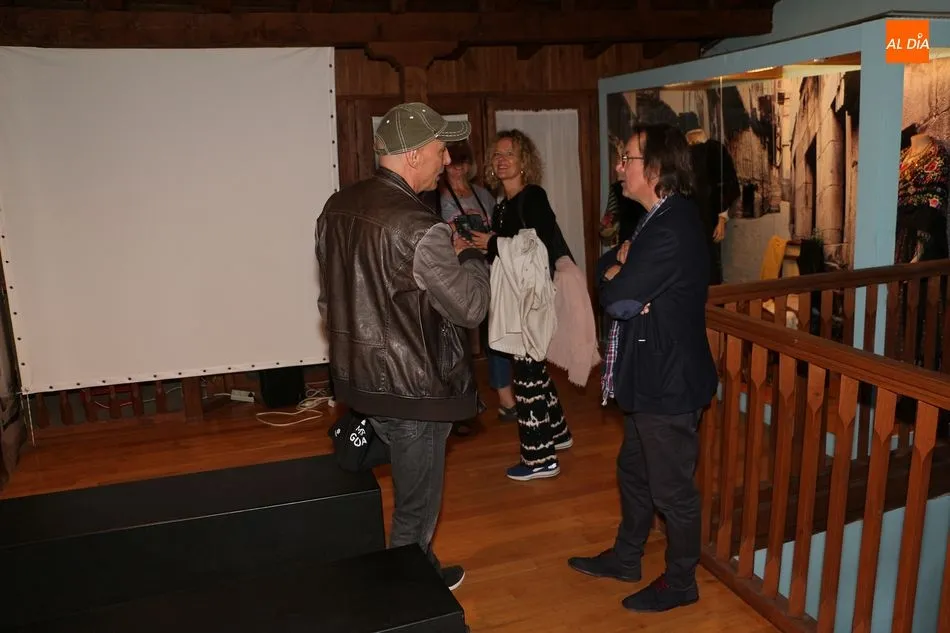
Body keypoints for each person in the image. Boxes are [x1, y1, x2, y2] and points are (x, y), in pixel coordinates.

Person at [315, 102, 490, 593]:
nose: (447, 159)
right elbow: (471, 307)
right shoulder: (419, 227)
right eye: (440, 149)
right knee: (416, 507)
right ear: (413, 155)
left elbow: (330, 303)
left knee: (411, 490)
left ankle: (419, 572)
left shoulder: (336, 208)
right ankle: (408, 599)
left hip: (362, 381)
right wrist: (471, 257)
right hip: (415, 390)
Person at [567, 123, 718, 612]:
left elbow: (616, 298)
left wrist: (621, 278)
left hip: (669, 383)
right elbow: (606, 272)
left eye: (626, 158)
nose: (618, 168)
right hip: (649, 375)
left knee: (672, 492)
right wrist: (619, 269)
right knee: (632, 470)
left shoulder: (671, 227)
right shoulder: (655, 218)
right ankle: (627, 557)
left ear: (655, 167)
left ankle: (681, 582)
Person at [467, 129, 574, 481]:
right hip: (512, 299)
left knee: (527, 378)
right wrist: (481, 245)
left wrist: (493, 243)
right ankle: (558, 433)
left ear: (524, 161)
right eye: (497, 155)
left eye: (509, 154)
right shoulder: (501, 207)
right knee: (534, 369)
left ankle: (540, 458)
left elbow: (536, 247)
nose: (501, 160)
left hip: (530, 300)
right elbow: (504, 252)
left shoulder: (534, 197)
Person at [438, 141, 517, 423]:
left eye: (463, 163)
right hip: (455, 275)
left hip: (490, 271)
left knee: (496, 334)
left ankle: (506, 398)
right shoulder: (436, 197)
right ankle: (459, 399)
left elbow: (499, 232)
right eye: (453, 163)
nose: (458, 169)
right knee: (455, 338)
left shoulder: (483, 195)